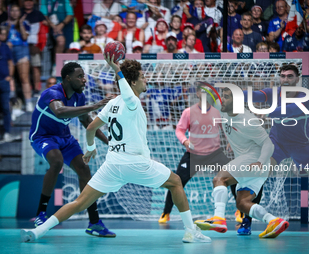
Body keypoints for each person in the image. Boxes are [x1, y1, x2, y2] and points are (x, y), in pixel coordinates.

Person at [21, 55, 211, 244]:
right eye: (142, 77)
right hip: (136, 163)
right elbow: (125, 94)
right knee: (176, 182)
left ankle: (38, 231)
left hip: (112, 165)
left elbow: (90, 127)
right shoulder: (132, 101)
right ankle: (190, 231)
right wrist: (116, 68)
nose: (146, 80)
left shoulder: (112, 103)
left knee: (79, 202)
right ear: (133, 82)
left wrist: (91, 148)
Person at [244, 64, 309, 233]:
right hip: (277, 143)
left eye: (289, 76)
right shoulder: (273, 93)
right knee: (259, 176)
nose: (285, 79)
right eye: (282, 76)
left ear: (297, 79)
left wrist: (267, 111)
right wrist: (234, 95)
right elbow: (253, 96)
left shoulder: (305, 97)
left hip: (302, 145)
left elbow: (285, 111)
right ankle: (247, 220)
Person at [28, 62, 115, 237]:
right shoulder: (51, 93)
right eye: (80, 76)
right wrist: (95, 106)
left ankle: (94, 223)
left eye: (84, 76)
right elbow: (60, 112)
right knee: (57, 161)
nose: (84, 80)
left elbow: (87, 123)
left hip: (65, 138)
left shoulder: (79, 97)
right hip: (43, 137)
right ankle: (41, 214)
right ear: (68, 78)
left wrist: (109, 142)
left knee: (84, 169)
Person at [194, 86, 289, 238]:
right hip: (253, 163)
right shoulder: (223, 107)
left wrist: (260, 162)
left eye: (227, 97)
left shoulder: (248, 120)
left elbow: (268, 144)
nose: (222, 99)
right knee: (242, 203)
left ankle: (218, 217)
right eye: (222, 96)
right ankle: (273, 221)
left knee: (220, 179)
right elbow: (211, 98)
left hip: (255, 159)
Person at [158, 83, 229, 223]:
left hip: (215, 153)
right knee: (176, 182)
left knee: (232, 177)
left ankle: (240, 212)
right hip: (193, 154)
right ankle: (166, 213)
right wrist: (184, 141)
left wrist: (230, 141)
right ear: (197, 94)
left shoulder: (218, 112)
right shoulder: (188, 112)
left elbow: (226, 129)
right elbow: (179, 130)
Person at [3, 4, 33, 111]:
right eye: (12, 11)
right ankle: (13, 103)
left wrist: (20, 24)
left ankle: (28, 103)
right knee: (9, 78)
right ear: (9, 12)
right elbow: (4, 38)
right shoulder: (4, 24)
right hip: (8, 51)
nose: (14, 13)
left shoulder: (25, 23)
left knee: (24, 78)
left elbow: (25, 37)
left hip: (21, 50)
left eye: (17, 11)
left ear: (20, 12)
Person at [0, 25, 17, 143]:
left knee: (6, 108)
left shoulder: (5, 47)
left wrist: (9, 77)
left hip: (3, 82)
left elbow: (11, 63)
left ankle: (7, 133)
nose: (4, 36)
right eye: (2, 34)